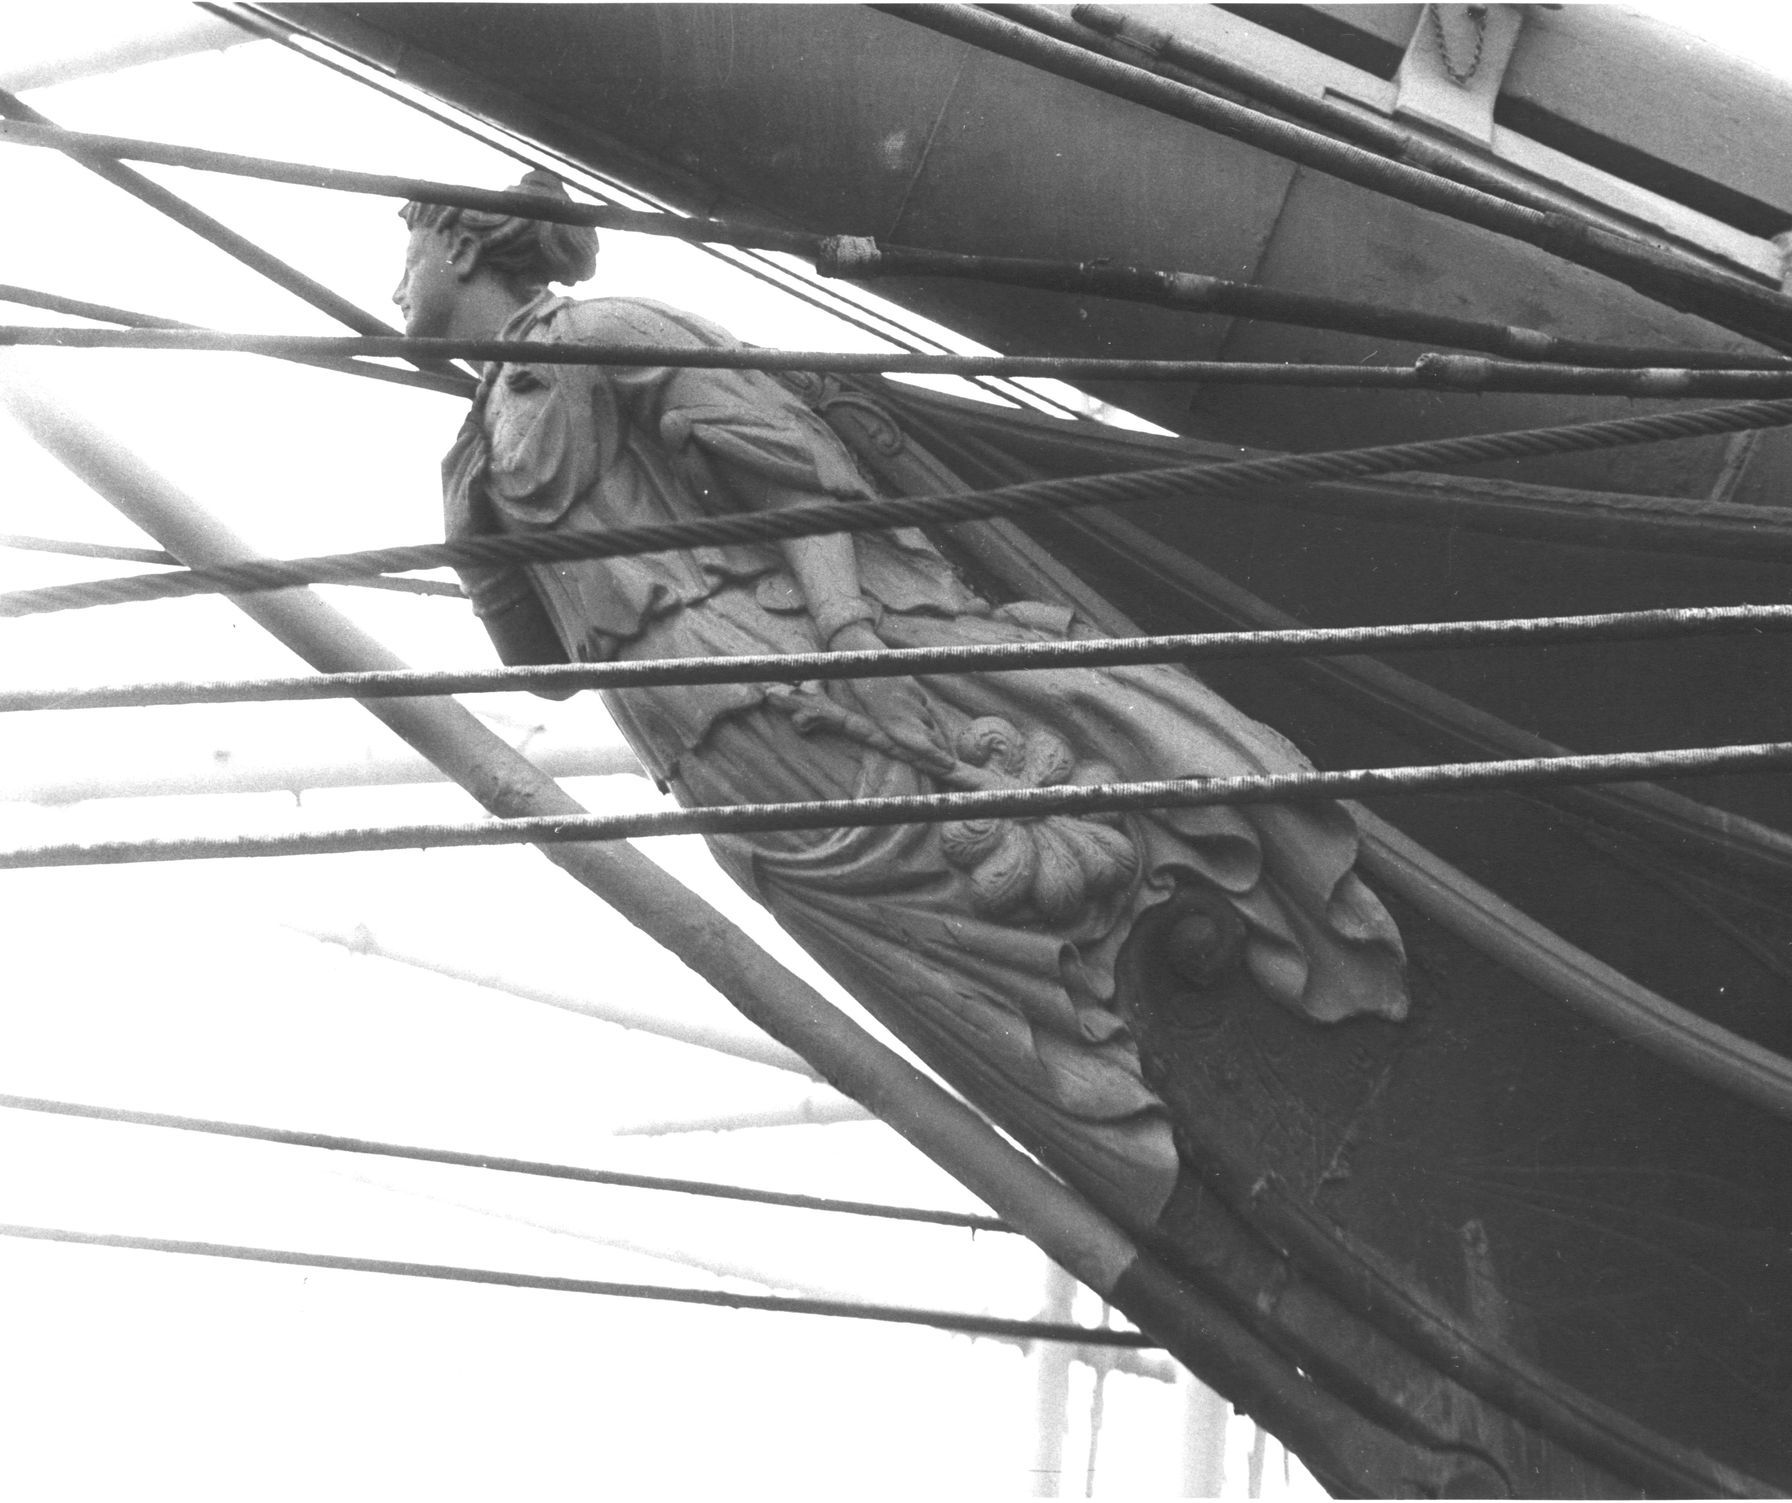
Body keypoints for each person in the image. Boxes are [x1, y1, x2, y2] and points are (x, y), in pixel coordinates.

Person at [397, 171, 1408, 1228]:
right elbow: (547, 666)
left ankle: (1191, 1080)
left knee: (1009, 867)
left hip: (775, 665)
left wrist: (849, 641)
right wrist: (476, 543)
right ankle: (1134, 1135)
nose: (395, 291)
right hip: (700, 757)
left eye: (406, 258)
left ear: (461, 248)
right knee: (939, 968)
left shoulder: (602, 330)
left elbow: (796, 471)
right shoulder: (471, 453)